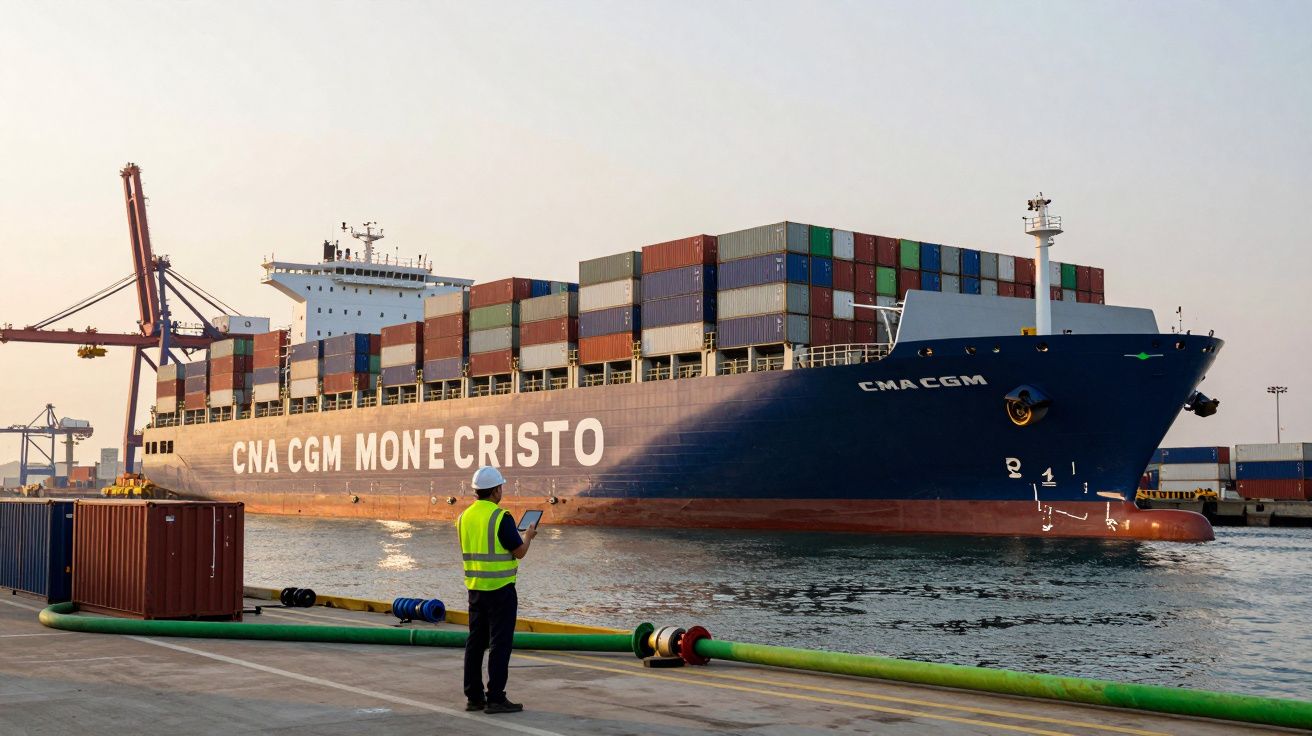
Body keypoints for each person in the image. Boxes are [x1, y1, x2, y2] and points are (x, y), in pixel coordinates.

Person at [458, 465, 537, 714]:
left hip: (475, 590)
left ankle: (474, 697)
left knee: (475, 643)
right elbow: (519, 552)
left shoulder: (464, 517)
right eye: (501, 487)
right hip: (501, 590)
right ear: (495, 491)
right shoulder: (501, 517)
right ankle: (495, 698)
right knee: (499, 645)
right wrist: (528, 536)